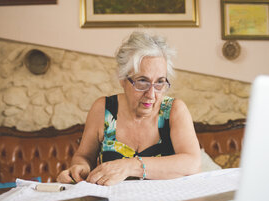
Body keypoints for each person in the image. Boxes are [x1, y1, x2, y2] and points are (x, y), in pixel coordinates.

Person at [57, 31, 201, 186]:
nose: (151, 94)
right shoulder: (103, 109)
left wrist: (131, 166)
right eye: (142, 82)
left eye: (160, 82)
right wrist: (80, 168)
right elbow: (83, 156)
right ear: (122, 79)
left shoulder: (174, 110)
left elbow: (192, 163)